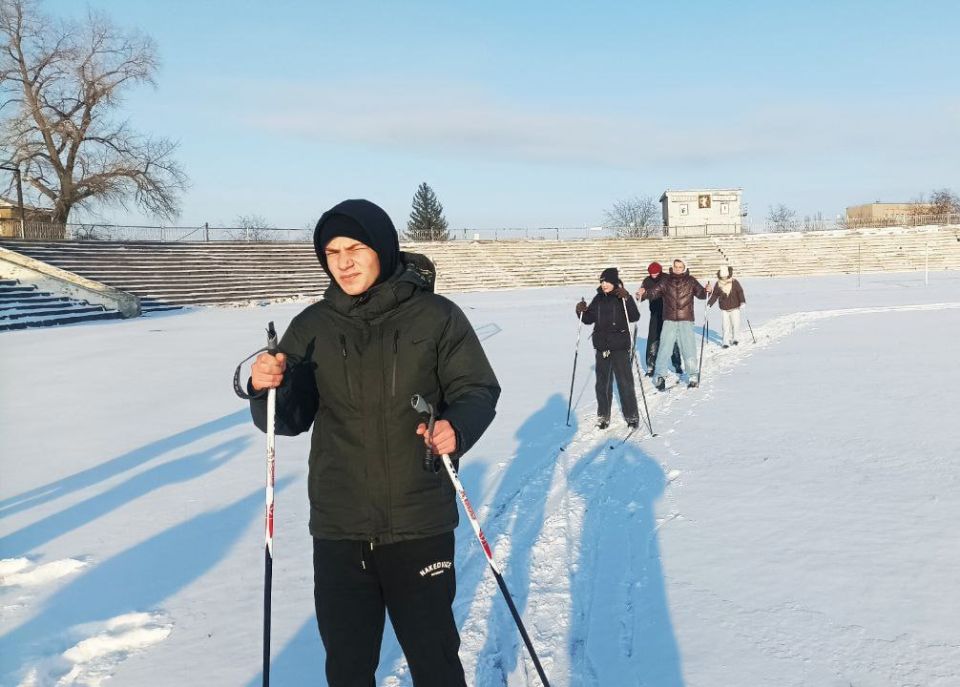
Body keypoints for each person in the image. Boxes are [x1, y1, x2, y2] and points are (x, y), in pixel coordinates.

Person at [246, 199, 500, 687]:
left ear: (382, 248)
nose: (343, 261)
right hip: (340, 527)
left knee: (436, 661)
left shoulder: (437, 317)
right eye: (332, 251)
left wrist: (456, 427)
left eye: (355, 247)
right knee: (347, 666)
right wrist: (265, 386)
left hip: (418, 519)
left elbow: (477, 389)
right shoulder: (313, 326)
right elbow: (289, 418)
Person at [575, 267, 641, 429]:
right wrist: (581, 311)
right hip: (602, 346)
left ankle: (631, 415)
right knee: (602, 384)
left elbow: (634, 317)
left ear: (613, 282)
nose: (603, 284)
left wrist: (627, 298)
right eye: (601, 282)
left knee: (625, 382)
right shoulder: (598, 298)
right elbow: (588, 319)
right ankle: (603, 415)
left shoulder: (621, 297)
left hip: (619, 347)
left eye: (606, 282)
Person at [636, 258, 712, 390]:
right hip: (669, 320)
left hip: (686, 319)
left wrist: (707, 290)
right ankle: (660, 376)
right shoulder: (666, 281)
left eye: (680, 266)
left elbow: (701, 294)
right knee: (664, 349)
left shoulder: (691, 281)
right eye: (675, 266)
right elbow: (654, 292)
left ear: (684, 267)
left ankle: (693, 375)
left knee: (689, 349)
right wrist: (644, 294)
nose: (677, 268)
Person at [638, 261, 683, 377]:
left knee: (672, 338)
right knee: (653, 339)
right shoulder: (647, 281)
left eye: (656, 273)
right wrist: (639, 295)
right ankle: (650, 365)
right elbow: (642, 295)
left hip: (669, 313)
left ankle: (677, 364)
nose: (654, 275)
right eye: (651, 273)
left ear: (660, 271)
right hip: (655, 314)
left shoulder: (666, 278)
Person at [708, 265, 747, 348]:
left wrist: (742, 302)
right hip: (724, 308)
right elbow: (715, 295)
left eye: (725, 276)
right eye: (723, 276)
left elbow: (740, 292)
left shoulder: (734, 282)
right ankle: (725, 341)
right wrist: (709, 304)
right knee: (725, 325)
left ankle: (735, 338)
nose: (724, 278)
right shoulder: (718, 284)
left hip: (735, 307)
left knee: (735, 323)